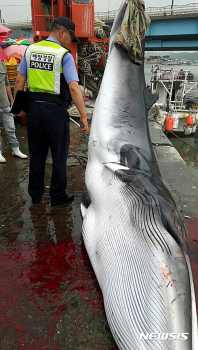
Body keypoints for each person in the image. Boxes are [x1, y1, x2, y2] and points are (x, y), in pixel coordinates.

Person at [14, 16, 89, 206]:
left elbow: (19, 81)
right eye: (71, 37)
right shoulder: (63, 55)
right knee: (59, 155)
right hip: (55, 113)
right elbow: (73, 88)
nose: (70, 42)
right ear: (62, 32)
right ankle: (57, 195)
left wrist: (19, 107)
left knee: (37, 155)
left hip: (34, 111)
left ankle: (36, 195)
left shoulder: (30, 50)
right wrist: (83, 115)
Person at [0, 60, 27, 163]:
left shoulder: (2, 64)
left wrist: (12, 100)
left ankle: (15, 149)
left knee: (11, 128)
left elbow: (7, 84)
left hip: (5, 103)